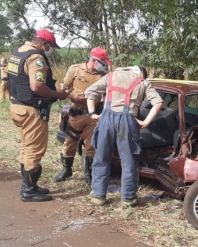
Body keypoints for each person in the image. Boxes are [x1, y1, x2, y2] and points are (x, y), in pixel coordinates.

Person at [84, 66, 163, 207]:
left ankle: (98, 196)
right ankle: (128, 199)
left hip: (106, 119)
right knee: (129, 161)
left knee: (101, 157)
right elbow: (158, 103)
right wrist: (145, 123)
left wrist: (92, 114)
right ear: (141, 74)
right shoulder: (143, 82)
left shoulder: (110, 76)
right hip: (128, 121)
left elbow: (89, 92)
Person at [7, 29, 69, 202]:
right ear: (44, 44)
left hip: (17, 106)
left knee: (27, 147)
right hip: (31, 110)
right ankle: (29, 191)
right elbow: (37, 86)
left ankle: (28, 185)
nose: (50, 50)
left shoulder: (17, 52)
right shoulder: (36, 58)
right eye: (50, 47)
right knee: (35, 149)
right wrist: (58, 95)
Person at [54, 47, 111, 186]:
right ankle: (66, 170)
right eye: (102, 62)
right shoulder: (75, 69)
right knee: (70, 142)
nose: (104, 65)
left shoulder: (103, 75)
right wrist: (74, 96)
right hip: (76, 114)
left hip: (93, 116)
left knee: (91, 145)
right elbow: (64, 87)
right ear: (93, 60)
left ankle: (89, 173)